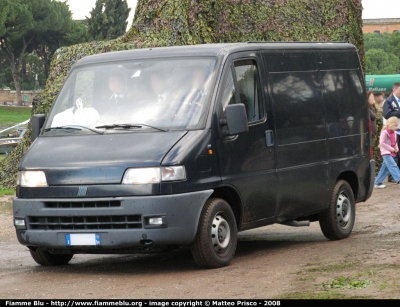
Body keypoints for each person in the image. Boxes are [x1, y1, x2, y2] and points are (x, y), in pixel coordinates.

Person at [374, 116, 400, 188]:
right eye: (395, 125)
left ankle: (378, 182)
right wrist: (391, 149)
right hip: (385, 152)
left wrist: (396, 148)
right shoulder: (384, 132)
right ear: (390, 124)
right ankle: (399, 179)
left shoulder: (394, 133)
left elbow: (395, 142)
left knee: (385, 168)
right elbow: (382, 143)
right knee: (393, 165)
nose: (396, 127)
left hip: (391, 152)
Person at [383, 83, 400, 182]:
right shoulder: (389, 101)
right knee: (394, 155)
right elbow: (387, 114)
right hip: (393, 132)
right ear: (395, 90)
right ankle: (392, 176)